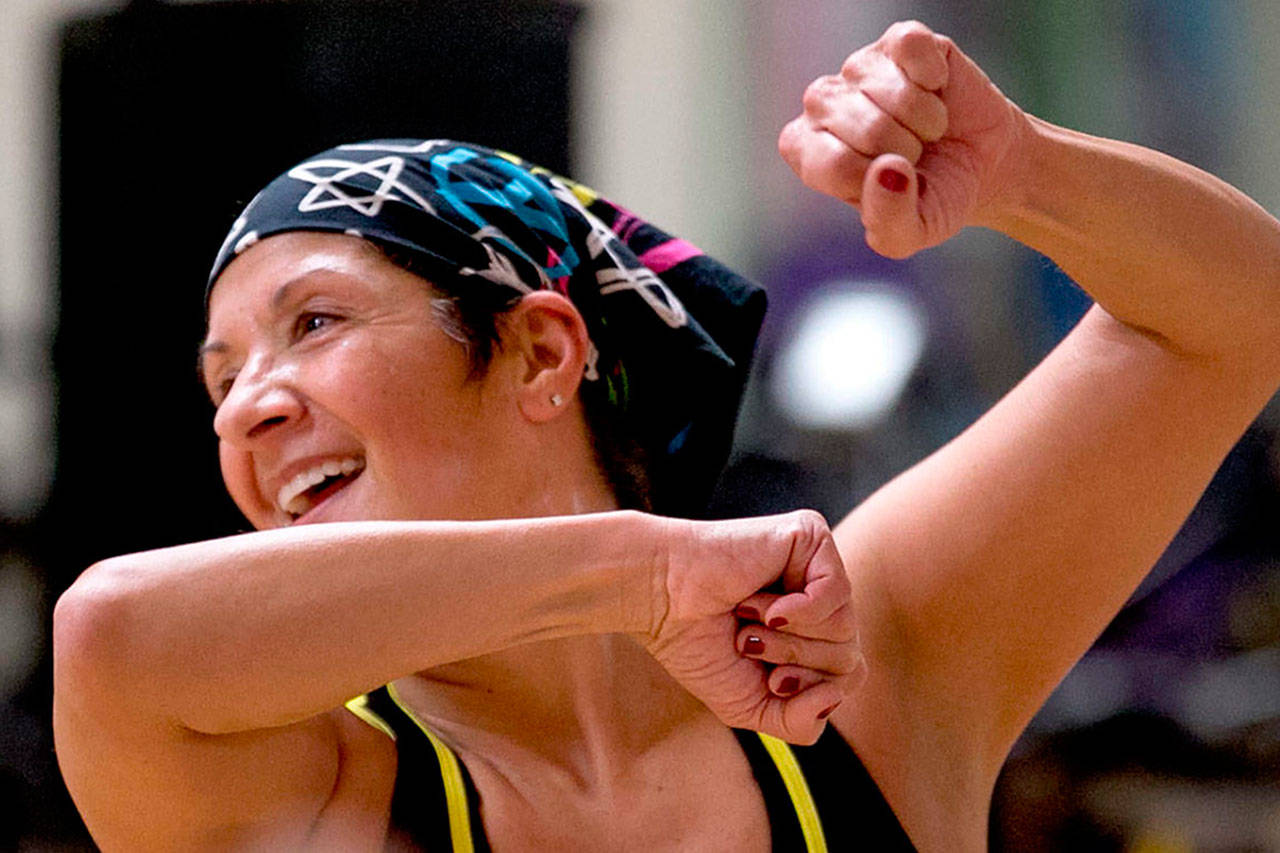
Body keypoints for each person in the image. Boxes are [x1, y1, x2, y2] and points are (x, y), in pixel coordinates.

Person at [52, 20, 1280, 852]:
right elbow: (114, 636)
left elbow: (1233, 314)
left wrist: (1018, 169)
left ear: (542, 352)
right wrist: (637, 576)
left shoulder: (853, 676)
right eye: (223, 378)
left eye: (313, 323)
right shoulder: (306, 778)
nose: (246, 406)